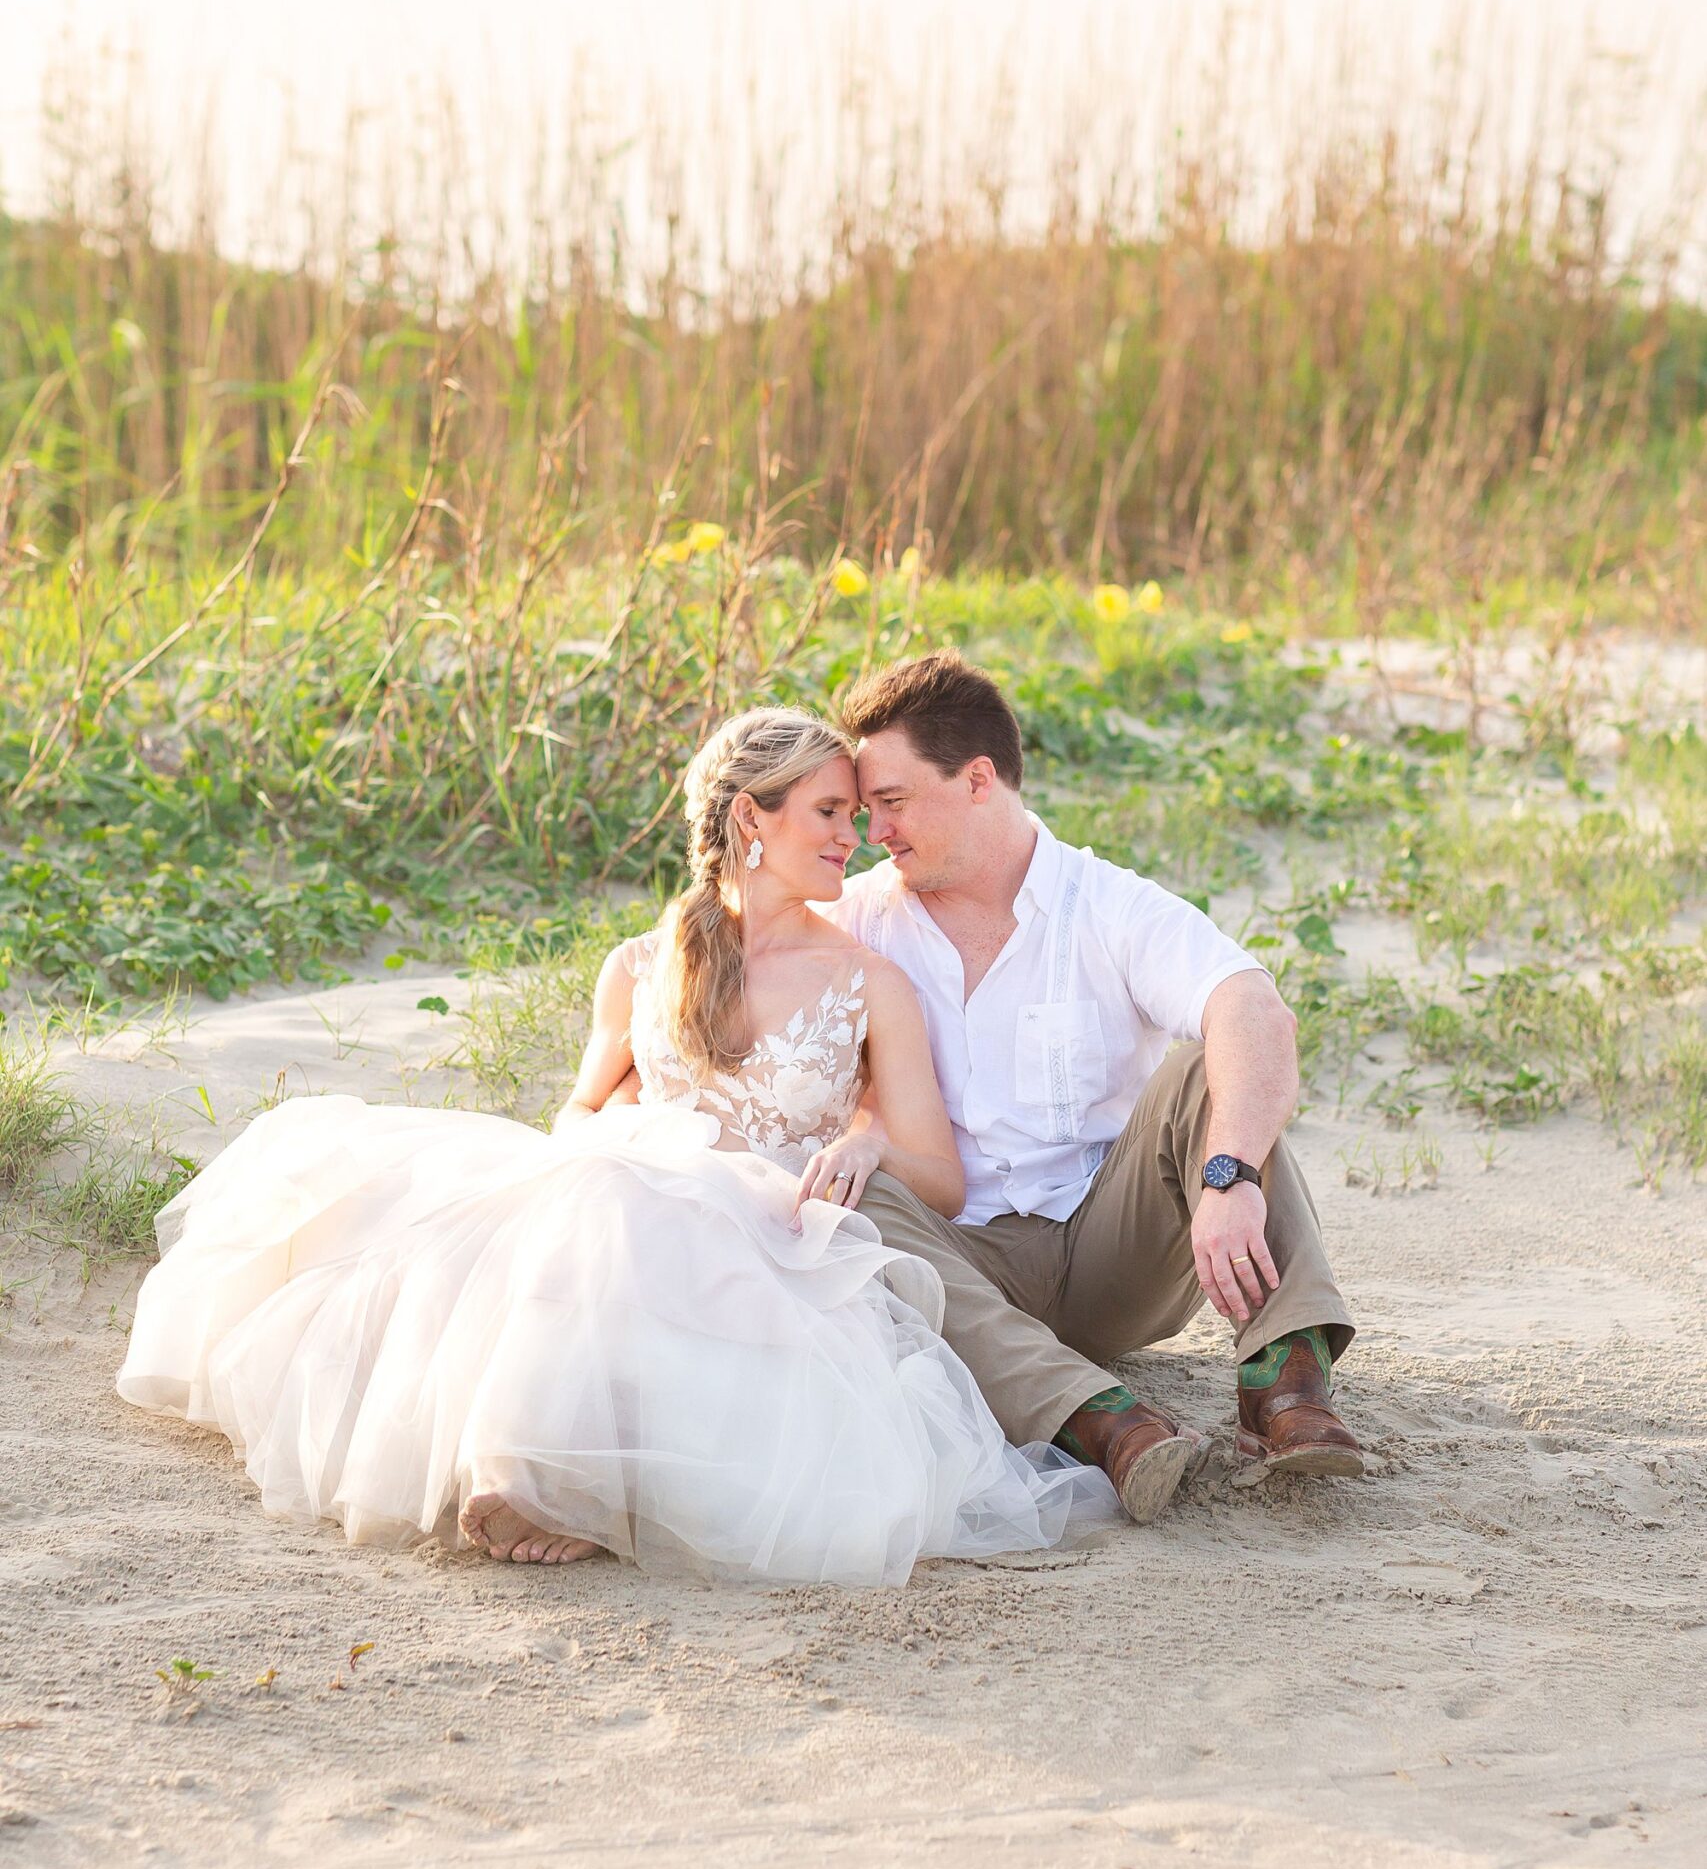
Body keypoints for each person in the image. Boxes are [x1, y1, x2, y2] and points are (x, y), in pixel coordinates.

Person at [116, 708, 1116, 1584]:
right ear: (748, 821)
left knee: (644, 1208)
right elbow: (577, 1116)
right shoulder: (642, 967)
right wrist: (645, 1141)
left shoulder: (868, 981)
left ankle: (567, 1478)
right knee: (588, 1188)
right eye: (828, 811)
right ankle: (539, 1466)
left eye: (857, 813)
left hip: (775, 1236)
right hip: (632, 1204)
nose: (853, 835)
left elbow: (939, 1179)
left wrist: (869, 1148)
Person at [820, 650, 1362, 1522]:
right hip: (958, 1265)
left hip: (1110, 1251)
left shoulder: (1105, 904)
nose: (874, 831)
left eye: (891, 801)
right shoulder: (855, 922)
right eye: (864, 808)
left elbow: (1255, 1014)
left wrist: (1229, 1178)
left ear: (978, 781)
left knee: (1205, 1072)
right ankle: (1102, 1422)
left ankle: (1284, 1382)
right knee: (852, 1198)